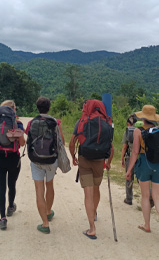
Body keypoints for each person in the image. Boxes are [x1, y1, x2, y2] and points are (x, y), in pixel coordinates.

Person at [69, 100, 114, 240]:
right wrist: (108, 162)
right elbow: (111, 147)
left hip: (85, 159)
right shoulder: (107, 122)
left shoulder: (82, 120)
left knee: (88, 193)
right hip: (100, 161)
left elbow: (72, 143)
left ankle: (92, 228)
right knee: (96, 188)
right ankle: (94, 213)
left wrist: (73, 156)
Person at [124, 105, 159, 240]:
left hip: (145, 163)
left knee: (145, 196)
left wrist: (129, 170)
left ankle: (147, 225)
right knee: (158, 197)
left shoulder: (138, 131)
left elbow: (135, 152)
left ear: (143, 117)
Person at [25, 97, 66, 234]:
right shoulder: (55, 122)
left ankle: (45, 223)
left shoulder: (32, 122)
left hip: (36, 160)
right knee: (50, 185)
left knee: (39, 190)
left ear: (37, 107)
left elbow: (28, 138)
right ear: (49, 107)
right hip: (51, 160)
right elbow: (62, 142)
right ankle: (48, 211)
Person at [0, 100, 25, 230]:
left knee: (1, 188)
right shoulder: (17, 124)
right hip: (13, 159)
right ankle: (11, 206)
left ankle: (2, 218)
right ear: (13, 110)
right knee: (11, 184)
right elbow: (22, 143)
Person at [120, 115, 137, 205]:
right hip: (141, 158)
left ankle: (129, 198)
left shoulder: (127, 132)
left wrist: (122, 158)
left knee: (129, 177)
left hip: (130, 158)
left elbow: (124, 147)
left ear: (128, 123)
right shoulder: (142, 131)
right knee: (142, 179)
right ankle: (147, 197)